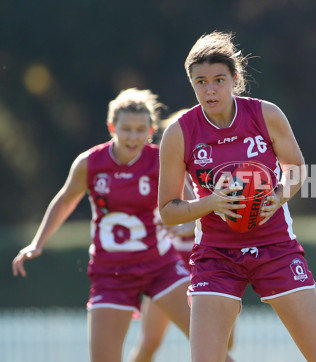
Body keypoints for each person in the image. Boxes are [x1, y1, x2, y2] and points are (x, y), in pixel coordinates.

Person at [158, 31, 316, 362]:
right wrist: (211, 203)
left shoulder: (265, 115)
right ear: (192, 84)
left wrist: (279, 195)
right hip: (216, 256)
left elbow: (297, 168)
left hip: (276, 248)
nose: (210, 89)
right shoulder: (179, 133)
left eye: (219, 79)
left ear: (234, 79)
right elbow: (169, 211)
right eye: (200, 82)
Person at [12, 88, 192, 362]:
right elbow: (65, 201)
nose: (133, 136)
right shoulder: (90, 163)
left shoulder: (160, 159)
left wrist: (187, 225)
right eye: (126, 129)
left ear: (151, 130)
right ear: (112, 127)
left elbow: (192, 204)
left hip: (161, 266)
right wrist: (37, 243)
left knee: (212, 345)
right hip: (111, 274)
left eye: (140, 129)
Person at [128, 109, 235, 362]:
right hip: (172, 264)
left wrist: (193, 221)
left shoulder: (217, 165)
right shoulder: (162, 168)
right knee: (150, 341)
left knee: (224, 343)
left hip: (213, 259)